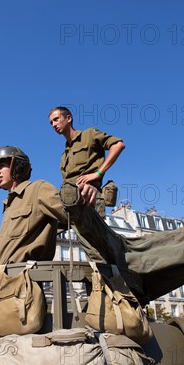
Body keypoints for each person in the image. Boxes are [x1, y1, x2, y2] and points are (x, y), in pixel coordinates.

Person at [0, 146, 90, 289]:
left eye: (1, 166)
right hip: (0, 286)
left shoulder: (37, 189)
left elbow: (74, 215)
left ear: (18, 166)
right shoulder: (10, 206)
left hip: (23, 287)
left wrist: (86, 194)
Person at [49, 106, 125, 261]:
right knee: (45, 229)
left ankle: (111, 282)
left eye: (56, 119)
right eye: (51, 123)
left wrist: (98, 173)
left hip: (88, 198)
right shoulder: (65, 154)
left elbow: (118, 145)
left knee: (96, 250)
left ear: (68, 118)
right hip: (69, 202)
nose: (54, 125)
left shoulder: (89, 135)